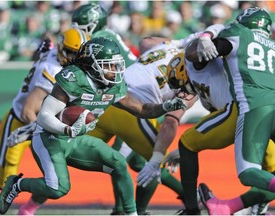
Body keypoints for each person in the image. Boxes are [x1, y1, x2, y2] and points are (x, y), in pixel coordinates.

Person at [0, 37, 187, 215]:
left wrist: (165, 107)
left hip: (76, 138)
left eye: (116, 64)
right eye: (109, 65)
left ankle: (131, 213)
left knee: (118, 163)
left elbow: (141, 108)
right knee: (58, 188)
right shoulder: (74, 78)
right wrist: (68, 129)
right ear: (93, 65)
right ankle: (17, 184)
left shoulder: (113, 84)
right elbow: (45, 116)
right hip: (50, 138)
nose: (115, 70)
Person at [71, 3, 201, 214]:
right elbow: (171, 120)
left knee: (128, 161)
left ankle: (125, 209)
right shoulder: (194, 78)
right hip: (136, 108)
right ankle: (136, 209)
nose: (77, 29)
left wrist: (176, 42)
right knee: (145, 163)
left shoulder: (165, 47)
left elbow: (145, 42)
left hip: (117, 98)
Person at [193, 6, 275, 215]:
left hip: (254, 106)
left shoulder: (239, 33)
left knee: (248, 171)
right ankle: (228, 208)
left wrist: (206, 36)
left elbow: (216, 32)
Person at [0, 27, 90, 215]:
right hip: (21, 123)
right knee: (1, 182)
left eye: (78, 54)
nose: (74, 58)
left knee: (54, 175)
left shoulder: (55, 53)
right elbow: (28, 110)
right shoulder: (53, 69)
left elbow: (48, 40)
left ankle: (28, 210)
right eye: (71, 53)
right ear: (62, 49)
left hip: (47, 124)